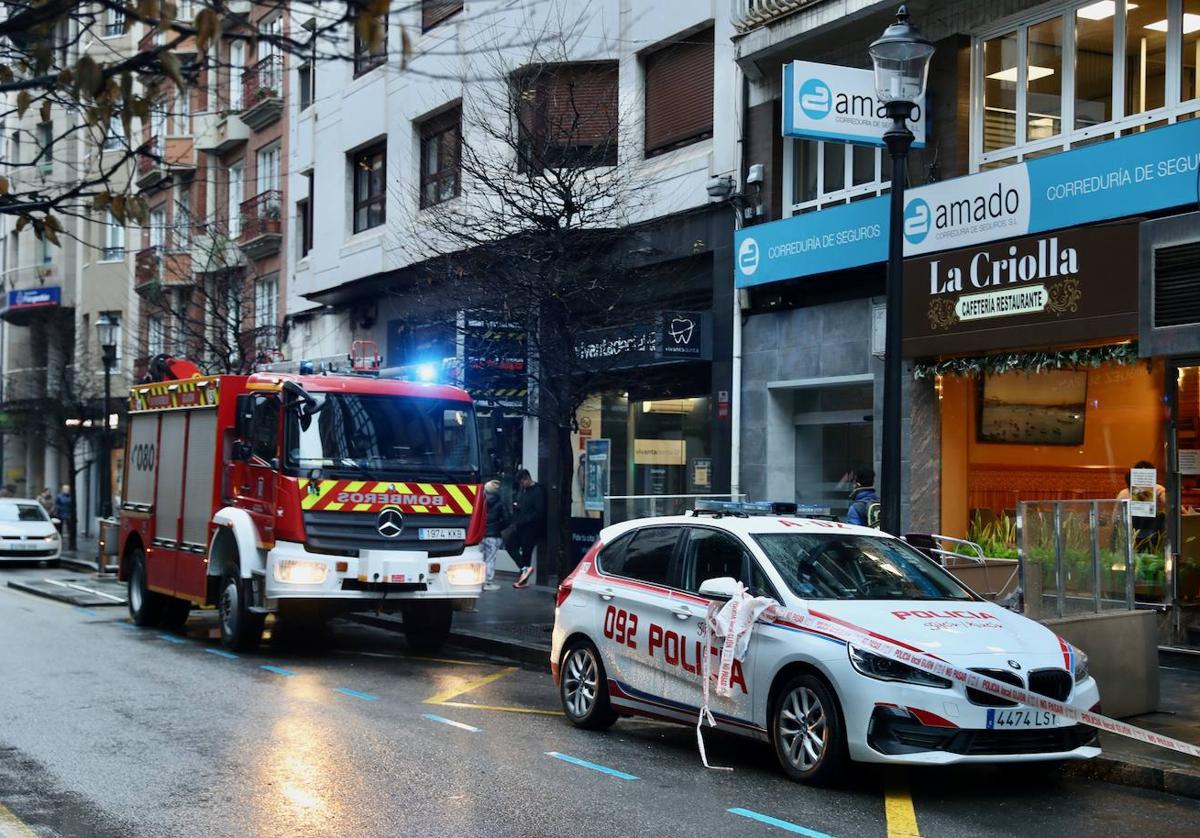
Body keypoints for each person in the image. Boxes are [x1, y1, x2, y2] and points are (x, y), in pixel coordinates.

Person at [1116, 460, 1168, 547]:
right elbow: (1116, 516)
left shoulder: (1158, 489)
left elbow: (1115, 518)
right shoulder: (1124, 493)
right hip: (1139, 533)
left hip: (1146, 533)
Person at [509, 469, 546, 589]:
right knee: (511, 544)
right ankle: (524, 570)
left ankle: (523, 578)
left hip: (531, 527)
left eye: (522, 482)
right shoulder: (523, 490)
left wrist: (524, 519)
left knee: (526, 552)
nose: (521, 485)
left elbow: (539, 511)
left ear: (527, 479)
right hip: (521, 526)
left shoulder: (537, 491)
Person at [481, 479, 509, 591]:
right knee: (490, 559)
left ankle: (480, 581)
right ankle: (488, 582)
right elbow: (507, 518)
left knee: (481, 559)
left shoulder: (480, 502)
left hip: (481, 535)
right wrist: (498, 527)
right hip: (494, 535)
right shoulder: (500, 503)